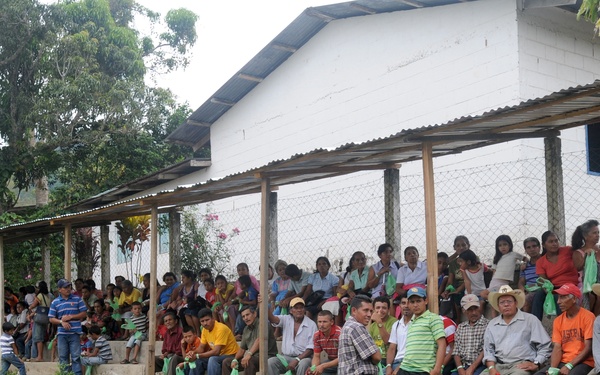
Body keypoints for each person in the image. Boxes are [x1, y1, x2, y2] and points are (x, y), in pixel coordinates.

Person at [483, 285, 551, 375]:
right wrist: (491, 368)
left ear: (516, 303)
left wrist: (536, 363)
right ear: (498, 307)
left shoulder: (530, 320)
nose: (506, 304)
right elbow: (488, 350)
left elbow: (545, 345)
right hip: (498, 366)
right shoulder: (492, 324)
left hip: (520, 366)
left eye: (509, 301)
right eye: (502, 302)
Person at [534, 283, 594, 375]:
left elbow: (588, 347)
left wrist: (569, 366)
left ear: (574, 299)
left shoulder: (588, 317)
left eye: (563, 297)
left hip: (583, 362)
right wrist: (553, 368)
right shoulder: (558, 320)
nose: (558, 301)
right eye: (558, 297)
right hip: (563, 361)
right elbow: (557, 347)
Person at [532, 231, 580, 321]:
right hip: (554, 286)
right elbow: (543, 281)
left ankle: (562, 324)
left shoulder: (568, 250)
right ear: (544, 245)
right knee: (538, 295)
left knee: (558, 296)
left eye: (556, 241)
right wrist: (549, 291)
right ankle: (535, 325)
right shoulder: (541, 261)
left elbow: (580, 250)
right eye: (551, 242)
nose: (554, 244)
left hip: (570, 285)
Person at [398, 287, 446, 375]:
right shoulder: (411, 321)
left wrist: (437, 369)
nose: (415, 305)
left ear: (426, 301)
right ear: (408, 304)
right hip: (405, 368)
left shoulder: (433, 318)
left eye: (418, 301)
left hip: (423, 370)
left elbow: (442, 344)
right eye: (412, 302)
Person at [48, 278, 89, 375]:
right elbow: (51, 318)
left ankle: (77, 374)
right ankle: (65, 374)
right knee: (63, 356)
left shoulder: (77, 299)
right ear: (59, 289)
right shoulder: (55, 302)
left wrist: (71, 317)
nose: (68, 289)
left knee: (76, 356)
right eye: (65, 287)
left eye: (69, 286)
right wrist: (61, 321)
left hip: (75, 333)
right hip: (62, 334)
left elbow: (84, 313)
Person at [267, 297, 317, 375]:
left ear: (304, 309)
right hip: (286, 357)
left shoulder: (311, 324)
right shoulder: (286, 319)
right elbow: (272, 319)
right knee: (271, 362)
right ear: (291, 310)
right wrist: (264, 305)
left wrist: (297, 359)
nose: (299, 310)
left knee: (303, 364)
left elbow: (311, 348)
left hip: (303, 358)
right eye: (296, 308)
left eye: (301, 307)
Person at [222, 306, 278, 375]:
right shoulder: (246, 329)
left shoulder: (263, 324)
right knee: (226, 362)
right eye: (243, 316)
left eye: (247, 315)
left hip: (267, 357)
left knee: (249, 361)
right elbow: (242, 349)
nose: (245, 318)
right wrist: (235, 359)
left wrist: (249, 354)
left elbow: (259, 341)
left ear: (254, 314)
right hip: (253, 357)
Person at [338, 294, 381, 374]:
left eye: (371, 311)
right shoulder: (356, 327)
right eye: (365, 310)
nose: (369, 314)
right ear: (354, 310)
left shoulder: (348, 326)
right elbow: (377, 357)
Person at [189, 308, 239, 375]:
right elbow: (201, 347)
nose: (205, 323)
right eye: (202, 321)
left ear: (213, 318)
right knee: (198, 361)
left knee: (212, 359)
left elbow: (216, 351)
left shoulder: (221, 329)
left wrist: (198, 355)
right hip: (219, 356)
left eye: (207, 320)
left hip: (231, 355)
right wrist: (193, 352)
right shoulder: (204, 330)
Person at [453, 294, 489, 375]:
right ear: (463, 311)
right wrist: (460, 368)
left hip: (480, 366)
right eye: (469, 310)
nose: (474, 312)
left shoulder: (487, 325)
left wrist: (472, 367)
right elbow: (456, 351)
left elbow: (486, 349)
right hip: (463, 366)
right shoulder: (461, 327)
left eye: (476, 308)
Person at [571, 220, 600, 314]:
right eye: (594, 233)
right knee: (594, 296)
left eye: (598, 232)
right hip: (585, 284)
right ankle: (592, 322)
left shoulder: (599, 249)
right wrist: (586, 257)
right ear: (585, 236)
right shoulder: (578, 252)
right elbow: (578, 267)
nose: (597, 235)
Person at [386, 296, 413, 373]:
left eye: (409, 303)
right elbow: (392, 348)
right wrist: (388, 366)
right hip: (396, 361)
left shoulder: (417, 323)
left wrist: (398, 369)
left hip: (410, 363)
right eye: (403, 303)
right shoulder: (396, 324)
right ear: (400, 306)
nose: (406, 306)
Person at [309, 310, 341, 374]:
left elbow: (343, 357)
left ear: (332, 322)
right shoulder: (317, 335)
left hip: (344, 361)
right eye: (319, 322)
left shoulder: (340, 334)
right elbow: (316, 356)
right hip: (331, 360)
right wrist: (314, 368)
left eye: (325, 322)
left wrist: (323, 366)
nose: (321, 325)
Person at [367, 296, 396, 366]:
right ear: (373, 310)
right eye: (378, 308)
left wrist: (379, 322)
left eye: (384, 308)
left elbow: (387, 341)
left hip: (388, 359)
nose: (380, 310)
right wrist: (370, 320)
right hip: (375, 359)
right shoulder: (372, 325)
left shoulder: (394, 322)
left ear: (389, 310)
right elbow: (367, 341)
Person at [28, 280, 52, 362]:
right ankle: (38, 356)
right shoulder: (49, 295)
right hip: (46, 317)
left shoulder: (40, 296)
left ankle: (39, 356)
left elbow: (34, 305)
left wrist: (30, 308)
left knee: (38, 338)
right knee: (41, 335)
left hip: (39, 319)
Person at [518, 237, 542, 313]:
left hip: (540, 290)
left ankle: (528, 323)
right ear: (525, 250)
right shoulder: (525, 266)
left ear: (539, 247)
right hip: (528, 290)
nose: (532, 249)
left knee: (526, 300)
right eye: (528, 247)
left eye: (534, 246)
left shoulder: (545, 261)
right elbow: (521, 282)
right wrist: (522, 290)